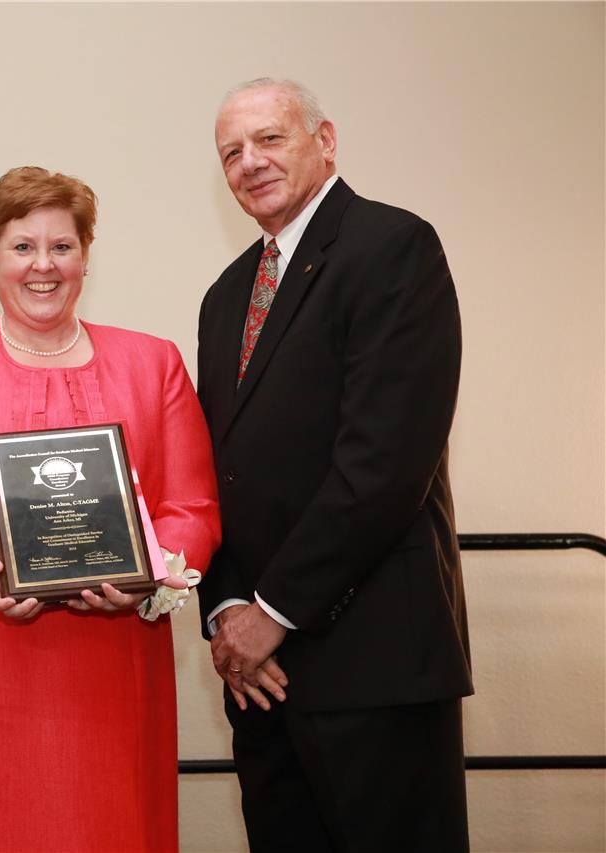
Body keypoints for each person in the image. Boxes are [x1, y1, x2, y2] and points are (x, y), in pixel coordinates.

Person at [0, 166, 220, 852]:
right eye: (22, 247)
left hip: (112, 659)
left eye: (61, 246)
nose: (42, 265)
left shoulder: (154, 362)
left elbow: (192, 506)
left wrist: (147, 575)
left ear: (86, 256)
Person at [195, 78, 472, 852]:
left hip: (373, 663)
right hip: (259, 678)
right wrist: (227, 610)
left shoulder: (392, 247)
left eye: (269, 139)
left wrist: (272, 612)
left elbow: (383, 464)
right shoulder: (226, 296)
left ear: (325, 140)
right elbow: (215, 470)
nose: (250, 162)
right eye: (231, 152)